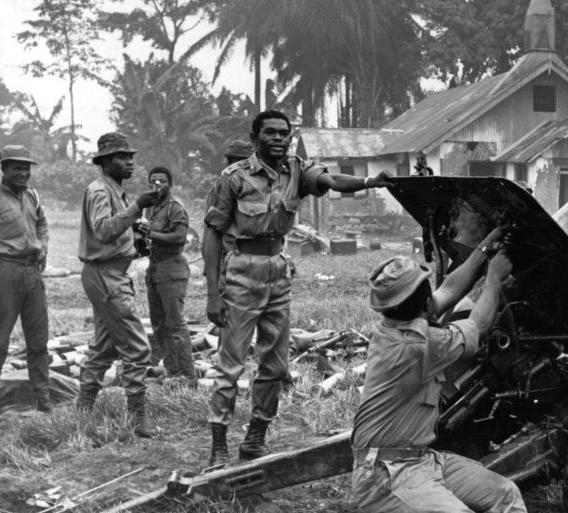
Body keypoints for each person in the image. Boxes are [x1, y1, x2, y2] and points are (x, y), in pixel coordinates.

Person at [349, 232, 568, 513]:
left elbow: (449, 289)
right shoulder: (416, 345)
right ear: (417, 302)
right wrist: (495, 278)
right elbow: (480, 322)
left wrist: (486, 247)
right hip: (386, 474)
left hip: (418, 460)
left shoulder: (397, 323)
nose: (431, 295)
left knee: (504, 493)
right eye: (424, 291)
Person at [202, 109, 392, 467]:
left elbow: (332, 180)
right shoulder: (234, 178)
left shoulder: (296, 170)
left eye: (283, 133)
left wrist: (369, 183)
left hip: (278, 270)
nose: (277, 138)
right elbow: (212, 234)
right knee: (231, 364)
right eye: (270, 133)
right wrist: (213, 292)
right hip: (241, 270)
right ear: (256, 137)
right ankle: (218, 447)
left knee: (275, 364)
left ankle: (255, 440)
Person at [74, 132, 165, 438]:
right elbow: (103, 230)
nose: (129, 162)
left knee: (104, 346)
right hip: (105, 274)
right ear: (104, 162)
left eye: (130, 157)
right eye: (121, 157)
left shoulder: (115, 191)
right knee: (138, 348)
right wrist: (137, 207)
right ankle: (137, 420)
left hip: (111, 272)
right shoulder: (100, 191)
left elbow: (117, 229)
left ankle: (82, 414)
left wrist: (136, 232)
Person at [0, 145, 50, 419]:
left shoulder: (32, 196)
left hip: (32, 274)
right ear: (3, 168)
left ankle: (43, 399)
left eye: (26, 168)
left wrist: (44, 249)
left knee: (39, 342)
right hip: (4, 273)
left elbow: (42, 225)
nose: (23, 173)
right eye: (16, 167)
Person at [143, 165, 194, 384]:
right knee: (159, 323)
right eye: (152, 181)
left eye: (161, 181)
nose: (156, 185)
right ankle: (172, 370)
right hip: (155, 268)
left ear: (170, 185)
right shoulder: (151, 208)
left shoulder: (175, 208)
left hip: (172, 268)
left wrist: (150, 233)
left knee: (175, 323)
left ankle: (187, 374)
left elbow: (180, 238)